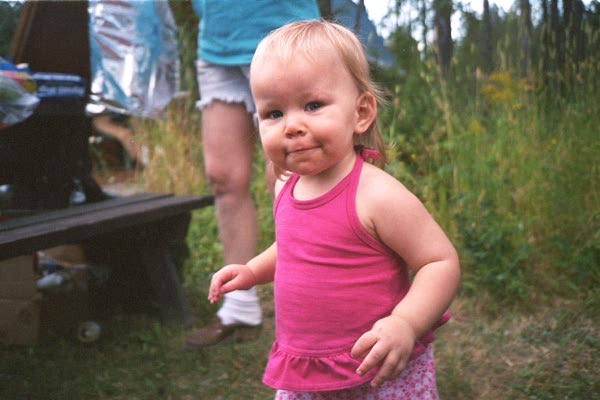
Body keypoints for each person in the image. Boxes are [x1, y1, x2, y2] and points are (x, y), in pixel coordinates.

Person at [207, 21, 461, 398]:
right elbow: (294, 247)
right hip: (308, 367)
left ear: (361, 113)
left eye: (313, 106)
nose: (292, 126)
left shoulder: (376, 195)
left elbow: (439, 262)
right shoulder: (286, 185)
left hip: (376, 367)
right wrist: (252, 270)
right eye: (274, 113)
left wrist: (405, 323)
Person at [183, 1, 320, 349]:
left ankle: (318, 299)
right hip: (218, 44)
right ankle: (240, 306)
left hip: (283, 33)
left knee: (291, 175)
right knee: (223, 177)